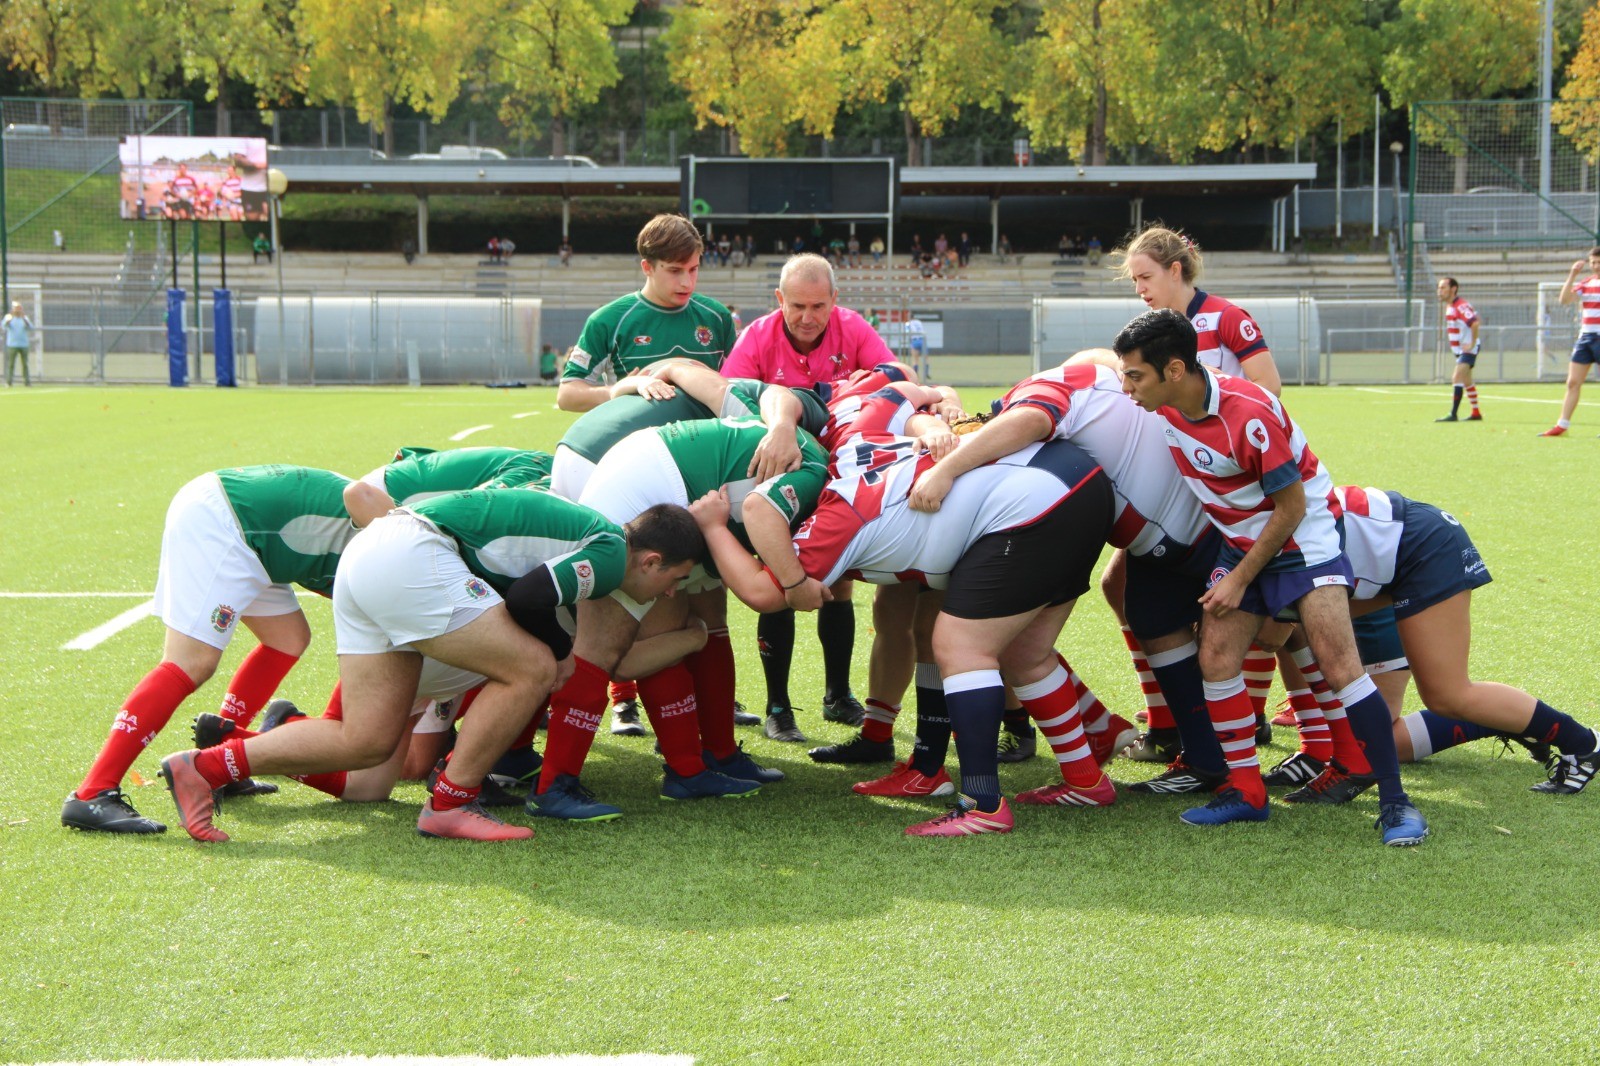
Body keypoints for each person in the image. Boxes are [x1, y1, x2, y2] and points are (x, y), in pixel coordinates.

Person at [159, 490, 703, 843]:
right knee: (534, 667)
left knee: (367, 743)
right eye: (673, 580)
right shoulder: (608, 550)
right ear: (651, 560)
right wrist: (559, 658)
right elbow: (531, 597)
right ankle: (452, 801)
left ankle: (202, 767)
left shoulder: (593, 541)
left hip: (374, 559)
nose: (672, 592)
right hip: (411, 555)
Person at [694, 429, 1117, 838]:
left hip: (1032, 502)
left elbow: (764, 592)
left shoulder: (831, 519)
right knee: (1027, 652)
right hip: (1079, 482)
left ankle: (983, 805)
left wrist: (714, 529)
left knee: (960, 647)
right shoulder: (846, 449)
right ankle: (1083, 781)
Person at [1114, 308, 1427, 846]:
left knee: (1340, 669)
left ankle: (1397, 804)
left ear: (1172, 370)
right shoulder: (1165, 405)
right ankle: (1247, 793)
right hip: (1241, 543)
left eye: (1134, 376)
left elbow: (1290, 507)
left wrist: (1237, 580)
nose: (1126, 389)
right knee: (1216, 657)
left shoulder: (1248, 412)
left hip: (1303, 539)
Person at [61, 465, 357, 834]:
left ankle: (221, 743)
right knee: (191, 662)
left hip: (252, 529)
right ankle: (92, 792)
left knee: (288, 637)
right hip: (228, 522)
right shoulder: (407, 556)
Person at [718, 253, 901, 739]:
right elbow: (731, 402)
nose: (807, 317)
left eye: (818, 306)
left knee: (838, 584)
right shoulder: (756, 336)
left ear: (834, 301)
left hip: (838, 473)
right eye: (796, 305)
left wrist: (875, 377)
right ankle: (779, 706)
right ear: (779, 300)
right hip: (775, 477)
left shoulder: (854, 328)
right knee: (779, 582)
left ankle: (837, 696)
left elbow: (896, 375)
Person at [1322, 484, 1599, 793]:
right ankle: (1500, 718)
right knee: (1374, 745)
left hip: (1417, 550)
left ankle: (1583, 744)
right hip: (1365, 578)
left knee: (1447, 696)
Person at [557, 213, 735, 414]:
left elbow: (744, 384)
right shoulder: (607, 321)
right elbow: (567, 395)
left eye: (693, 269)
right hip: (637, 441)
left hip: (708, 441)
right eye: (674, 271)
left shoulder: (717, 317)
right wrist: (616, 391)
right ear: (647, 267)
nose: (687, 282)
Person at [1540, 247, 1600, 436]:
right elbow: (1564, 299)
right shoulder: (1586, 282)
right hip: (1586, 338)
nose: (1595, 266)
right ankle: (1562, 425)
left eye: (1599, 262)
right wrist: (1572, 275)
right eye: (1593, 262)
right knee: (1573, 382)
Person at [1436, 276, 1483, 422]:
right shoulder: (1450, 306)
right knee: (1467, 380)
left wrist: (1472, 342)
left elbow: (1474, 323)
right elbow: (1477, 318)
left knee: (1456, 378)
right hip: (1460, 350)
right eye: (1439, 288)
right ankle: (1476, 413)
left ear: (1453, 289)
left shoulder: (1460, 305)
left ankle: (1453, 414)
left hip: (1468, 349)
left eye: (1443, 288)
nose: (1439, 291)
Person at [5, 301, 33, 387]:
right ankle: (9, 382)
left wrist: (23, 317)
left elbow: (30, 327)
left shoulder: (25, 318)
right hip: (12, 345)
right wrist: (11, 317)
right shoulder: (8, 317)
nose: (17, 310)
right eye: (16, 308)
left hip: (24, 344)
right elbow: (5, 325)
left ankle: (27, 382)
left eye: (19, 308)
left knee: (25, 364)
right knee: (11, 364)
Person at [904, 313, 927, 378]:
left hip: (914, 340)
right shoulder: (918, 322)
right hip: (922, 339)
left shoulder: (908, 323)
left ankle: (916, 374)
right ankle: (926, 373)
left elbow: (907, 332)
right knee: (926, 358)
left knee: (915, 359)